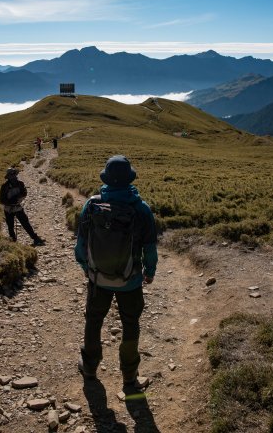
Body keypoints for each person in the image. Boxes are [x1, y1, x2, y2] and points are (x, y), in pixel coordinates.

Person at [75, 155, 157, 386]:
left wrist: (85, 268)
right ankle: (129, 376)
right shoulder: (141, 209)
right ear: (129, 179)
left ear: (107, 180)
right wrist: (149, 272)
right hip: (130, 281)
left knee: (93, 320)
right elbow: (150, 248)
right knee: (130, 324)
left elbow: (80, 245)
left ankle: (90, 367)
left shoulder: (92, 204)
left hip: (98, 278)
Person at [0, 168, 45, 246]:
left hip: (17, 207)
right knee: (10, 226)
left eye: (14, 174)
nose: (13, 176)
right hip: (9, 209)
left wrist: (17, 199)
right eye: (11, 175)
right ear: (9, 177)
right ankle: (13, 242)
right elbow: (2, 199)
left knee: (25, 223)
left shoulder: (20, 184)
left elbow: (24, 193)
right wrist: (10, 202)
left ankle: (35, 238)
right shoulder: (4, 186)